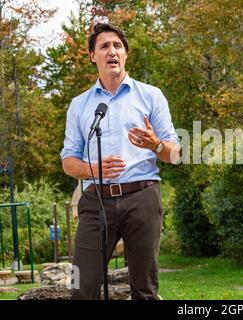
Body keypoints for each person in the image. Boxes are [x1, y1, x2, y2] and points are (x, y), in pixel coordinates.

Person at [60, 23, 180, 300]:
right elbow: (68, 161)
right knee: (81, 287)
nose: (111, 51)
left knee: (145, 290)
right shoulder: (80, 105)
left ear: (125, 54)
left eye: (117, 46)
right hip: (96, 201)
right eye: (104, 46)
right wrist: (93, 169)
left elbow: (175, 155)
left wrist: (157, 145)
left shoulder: (151, 95)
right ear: (93, 56)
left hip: (142, 198)